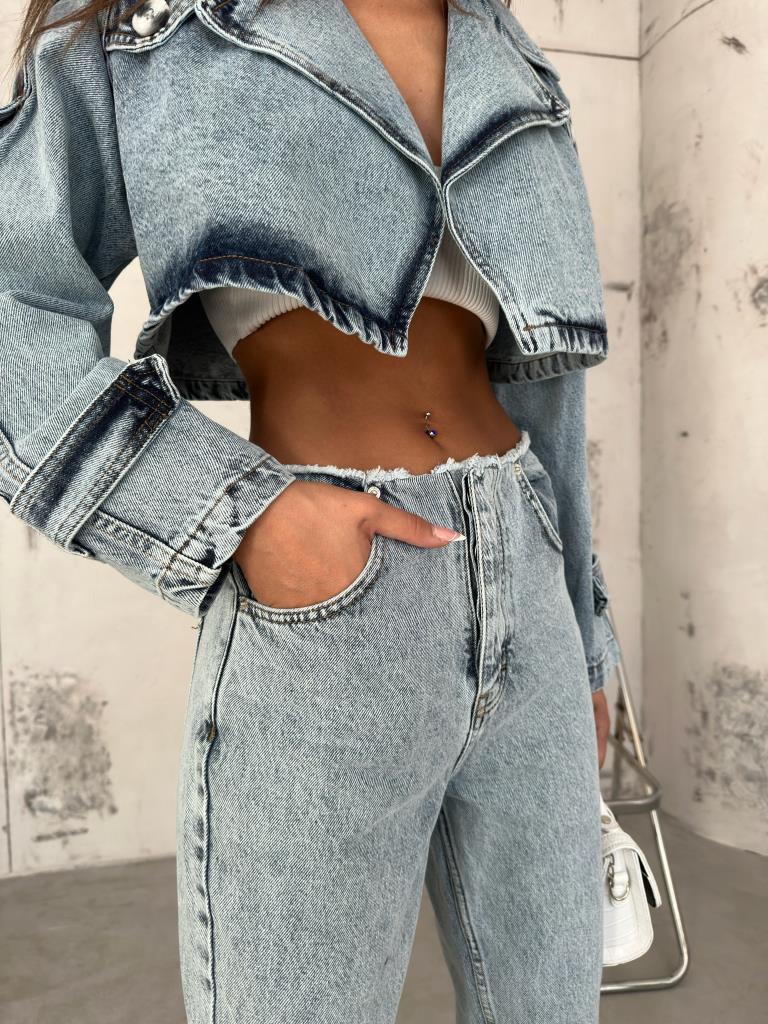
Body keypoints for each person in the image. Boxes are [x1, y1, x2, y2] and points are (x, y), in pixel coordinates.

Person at [1, 0, 621, 1020]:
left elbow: (549, 384)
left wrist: (587, 642)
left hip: (529, 574)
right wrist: (239, 514)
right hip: (331, 609)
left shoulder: (504, 49)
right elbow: (11, 299)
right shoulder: (157, 25)